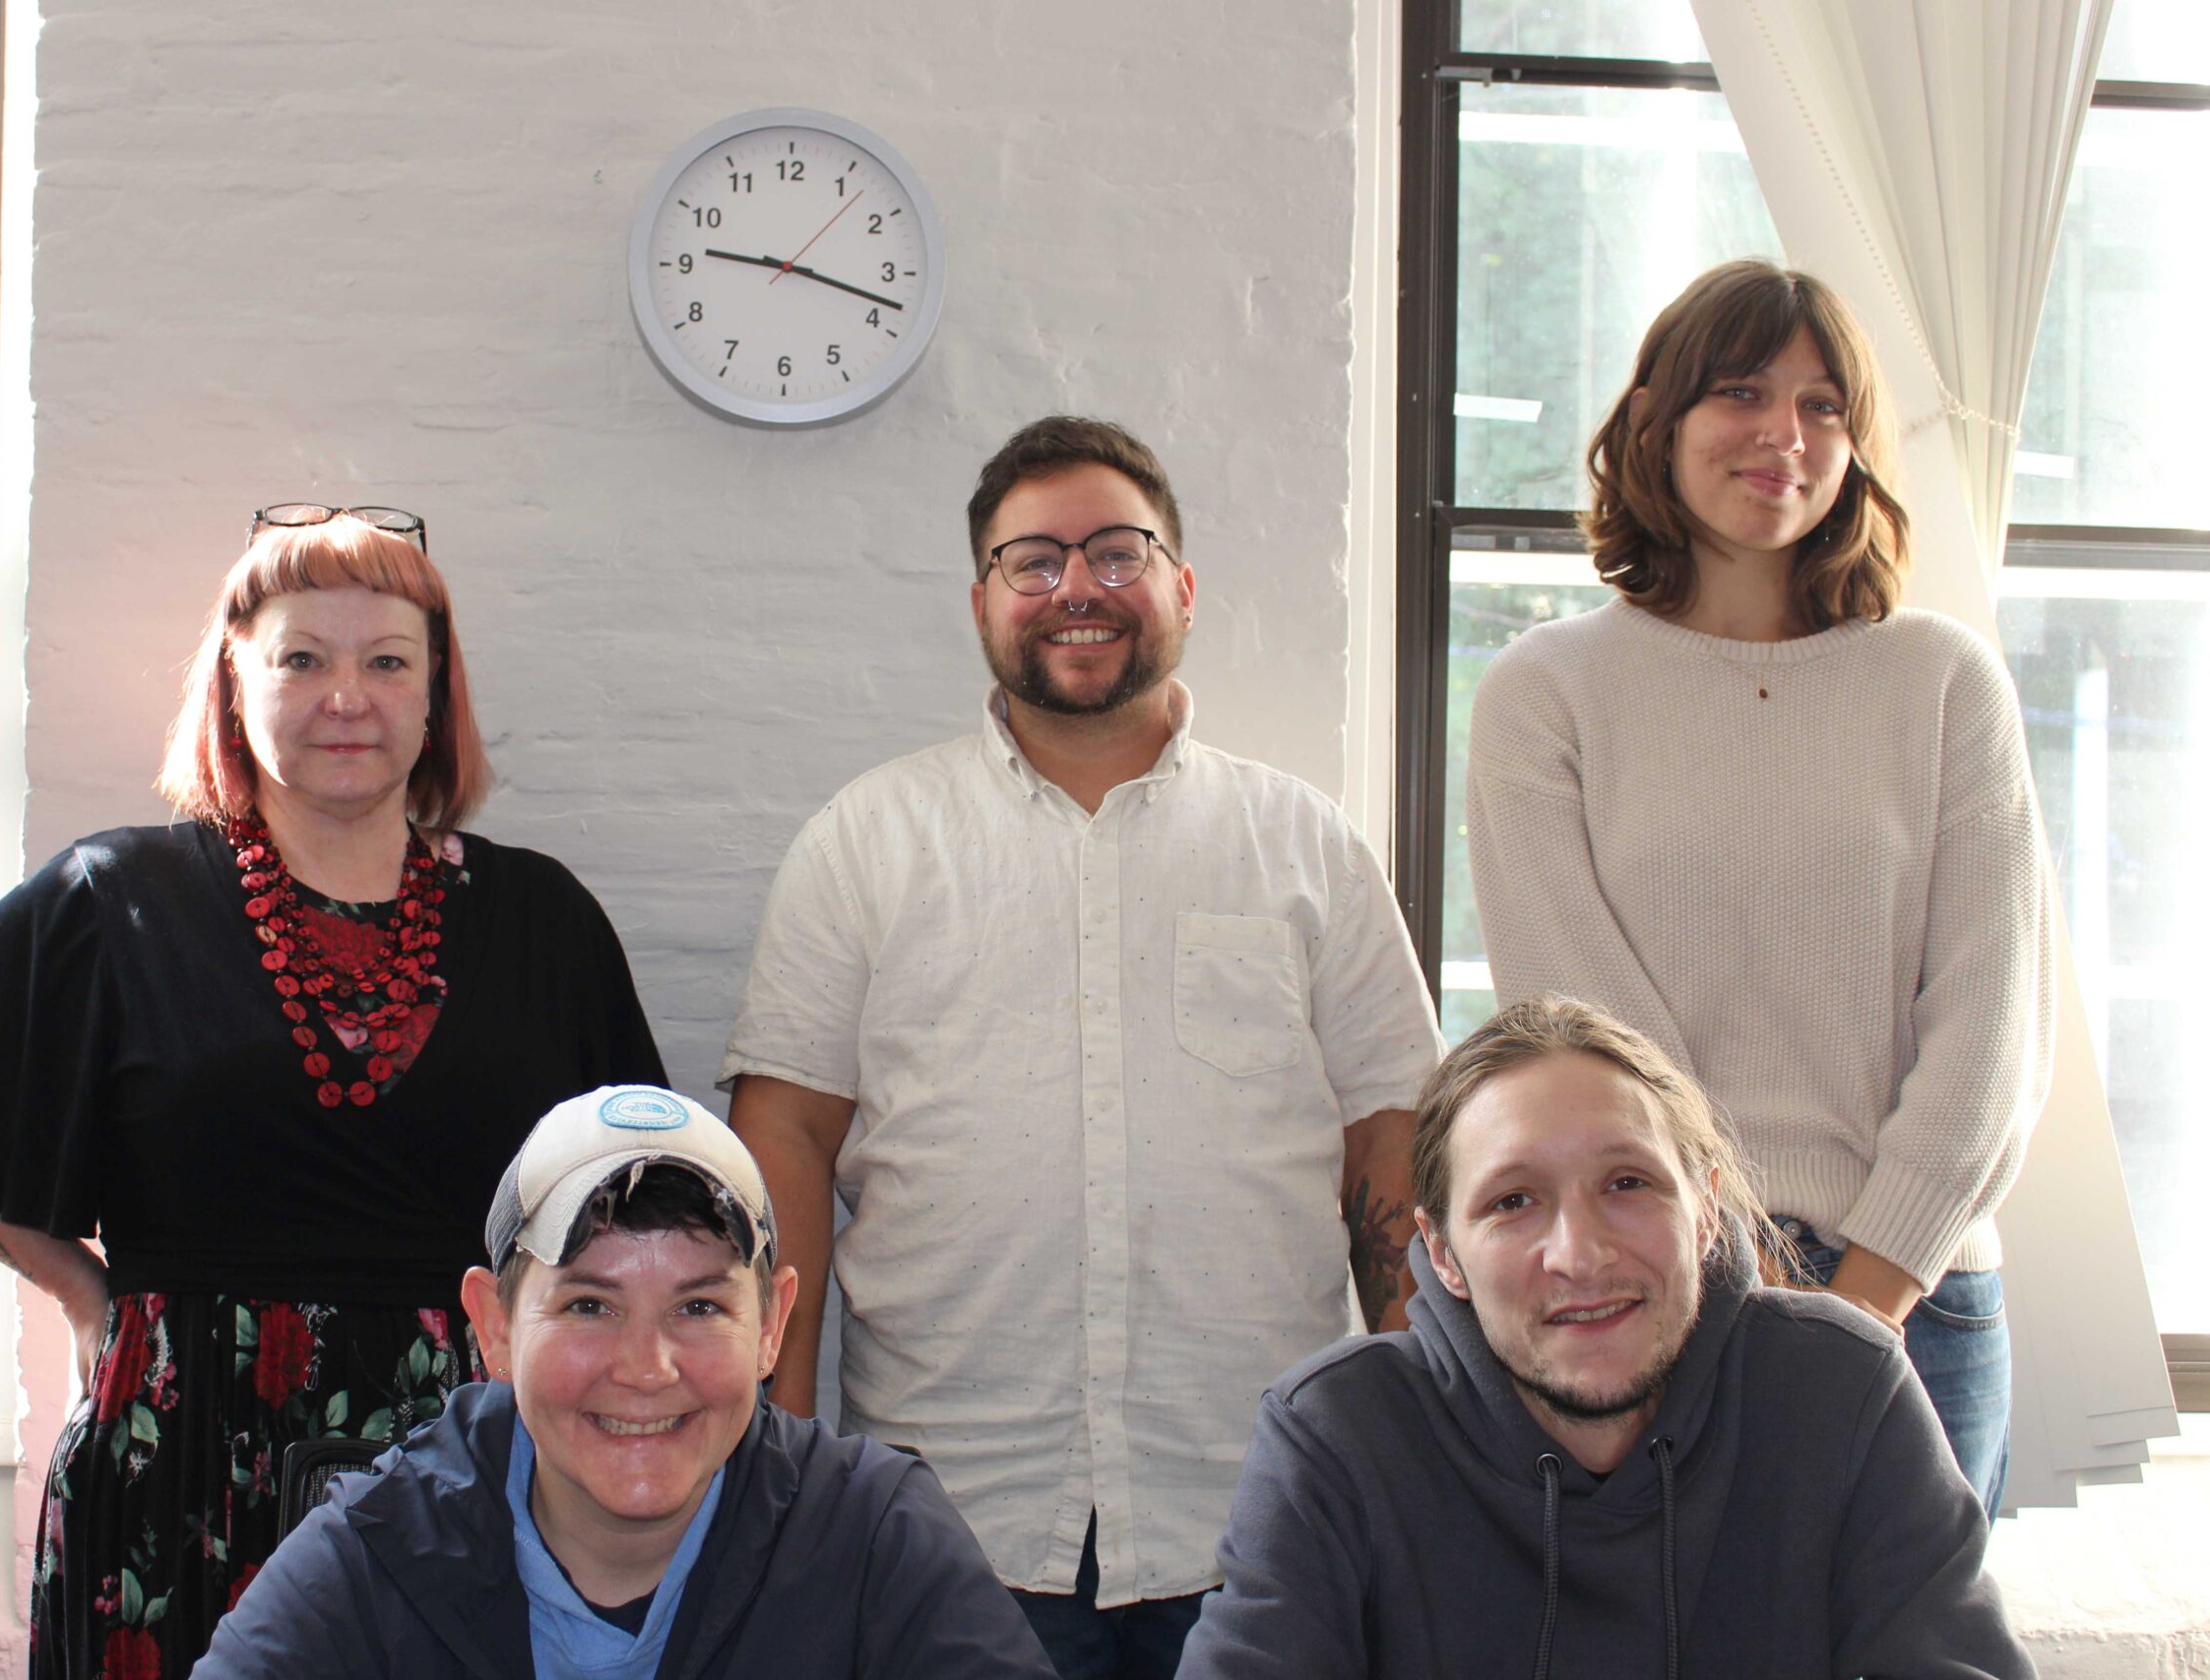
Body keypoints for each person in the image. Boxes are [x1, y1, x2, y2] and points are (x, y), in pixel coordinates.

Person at [0, 506, 666, 1680]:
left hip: (469, 1459)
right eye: (300, 658)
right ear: (234, 683)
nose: (344, 697)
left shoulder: (540, 919)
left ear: (433, 695)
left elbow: (638, 1197)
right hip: (173, 1454)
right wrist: (83, 1293)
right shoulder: (116, 898)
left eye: (386, 662)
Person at [724, 416, 1444, 1677]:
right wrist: (771, 1450)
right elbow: (782, 1135)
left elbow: (1392, 1140)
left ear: (1182, 586)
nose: (1076, 588)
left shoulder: (1305, 846)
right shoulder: (866, 842)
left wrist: (1411, 1439)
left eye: (1118, 552)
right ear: (981, 601)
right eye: (1033, 561)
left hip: (1258, 1507)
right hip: (948, 1514)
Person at [1464, 261, 2052, 1515]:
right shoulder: (1546, 691)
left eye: (1822, 405)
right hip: (1661, 1291)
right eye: (1739, 391)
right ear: (1655, 421)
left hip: (1919, 1295)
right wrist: (1741, 1284)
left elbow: (1992, 1026)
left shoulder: (1942, 681)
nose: (1783, 432)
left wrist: (1864, 1306)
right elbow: (1589, 1039)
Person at [1175, 997, 2036, 1679]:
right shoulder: (1334, 1434)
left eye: (1627, 1182)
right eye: (1513, 1201)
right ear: (1442, 1253)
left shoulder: (1843, 1392)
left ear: (1706, 1210)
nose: (1580, 1254)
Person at [196, 1083, 1061, 1679]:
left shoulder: (875, 1535)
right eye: (588, 1305)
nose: (647, 1368)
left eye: (699, 1306)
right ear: (494, 1327)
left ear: (772, 1326)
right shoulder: (378, 1545)